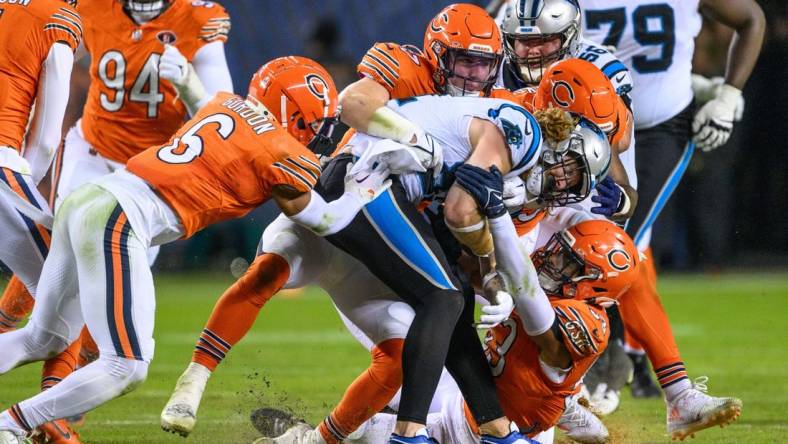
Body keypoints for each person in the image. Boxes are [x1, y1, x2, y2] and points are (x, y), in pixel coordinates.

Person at [0, 56, 390, 444]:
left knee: (43, 337)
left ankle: (14, 422)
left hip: (88, 200)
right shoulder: (284, 152)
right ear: (295, 113)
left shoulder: (224, 103)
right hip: (120, 218)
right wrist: (361, 192)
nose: (317, 133)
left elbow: (211, 116)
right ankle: (14, 423)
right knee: (126, 366)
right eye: (314, 122)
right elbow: (322, 221)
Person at [580, 0, 763, 438]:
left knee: (618, 249)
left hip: (659, 128)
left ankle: (607, 368)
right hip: (585, 131)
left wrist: (729, 91)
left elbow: (752, 17)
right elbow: (511, 33)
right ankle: (598, 373)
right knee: (603, 251)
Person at [0, 0, 234, 336]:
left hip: (152, 167)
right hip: (92, 149)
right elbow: (50, 49)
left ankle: (77, 369)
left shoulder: (198, 17)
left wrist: (188, 85)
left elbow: (221, 118)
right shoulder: (92, 7)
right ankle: (9, 330)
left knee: (118, 281)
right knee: (58, 248)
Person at [0, 1, 81, 440]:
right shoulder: (58, 19)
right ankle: (40, 419)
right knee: (72, 289)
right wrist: (21, 179)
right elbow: (48, 139)